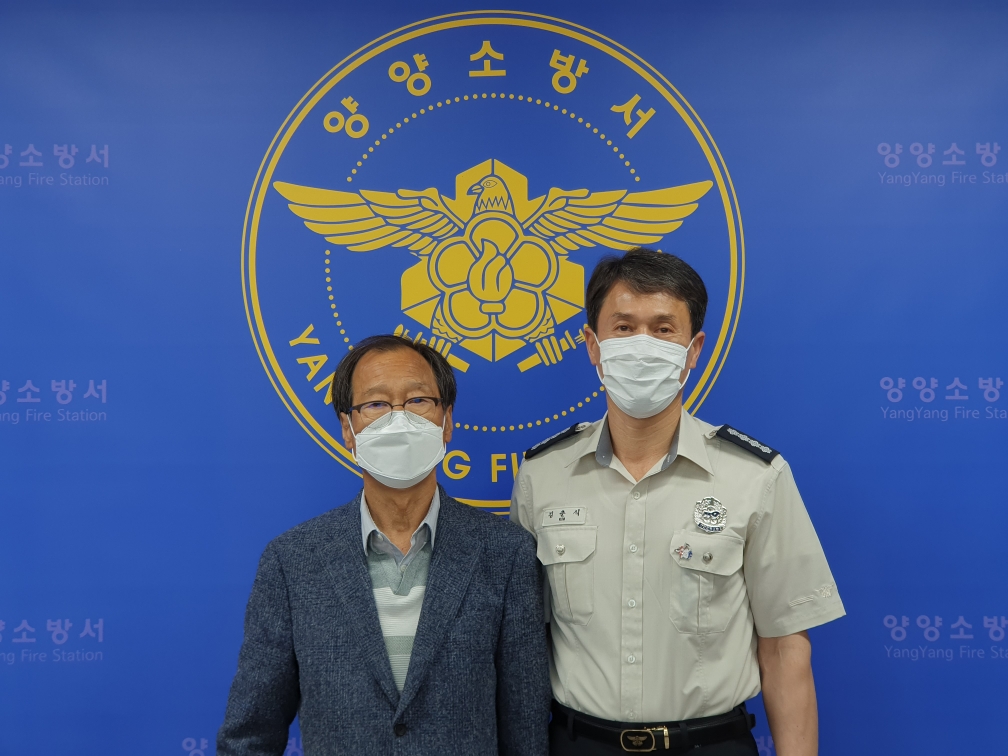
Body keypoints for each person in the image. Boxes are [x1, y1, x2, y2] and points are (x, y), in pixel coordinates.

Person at [511, 248, 845, 755]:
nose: (642, 345)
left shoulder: (756, 476)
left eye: (663, 329)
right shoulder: (542, 475)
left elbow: (783, 649)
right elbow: (522, 644)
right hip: (577, 743)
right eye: (624, 327)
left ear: (693, 349)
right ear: (593, 345)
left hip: (710, 744)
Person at [219, 335, 550, 756]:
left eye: (417, 401)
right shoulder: (292, 561)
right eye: (376, 404)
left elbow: (525, 728)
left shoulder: (505, 553)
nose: (399, 420)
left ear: (447, 421)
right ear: (348, 429)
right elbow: (251, 734)